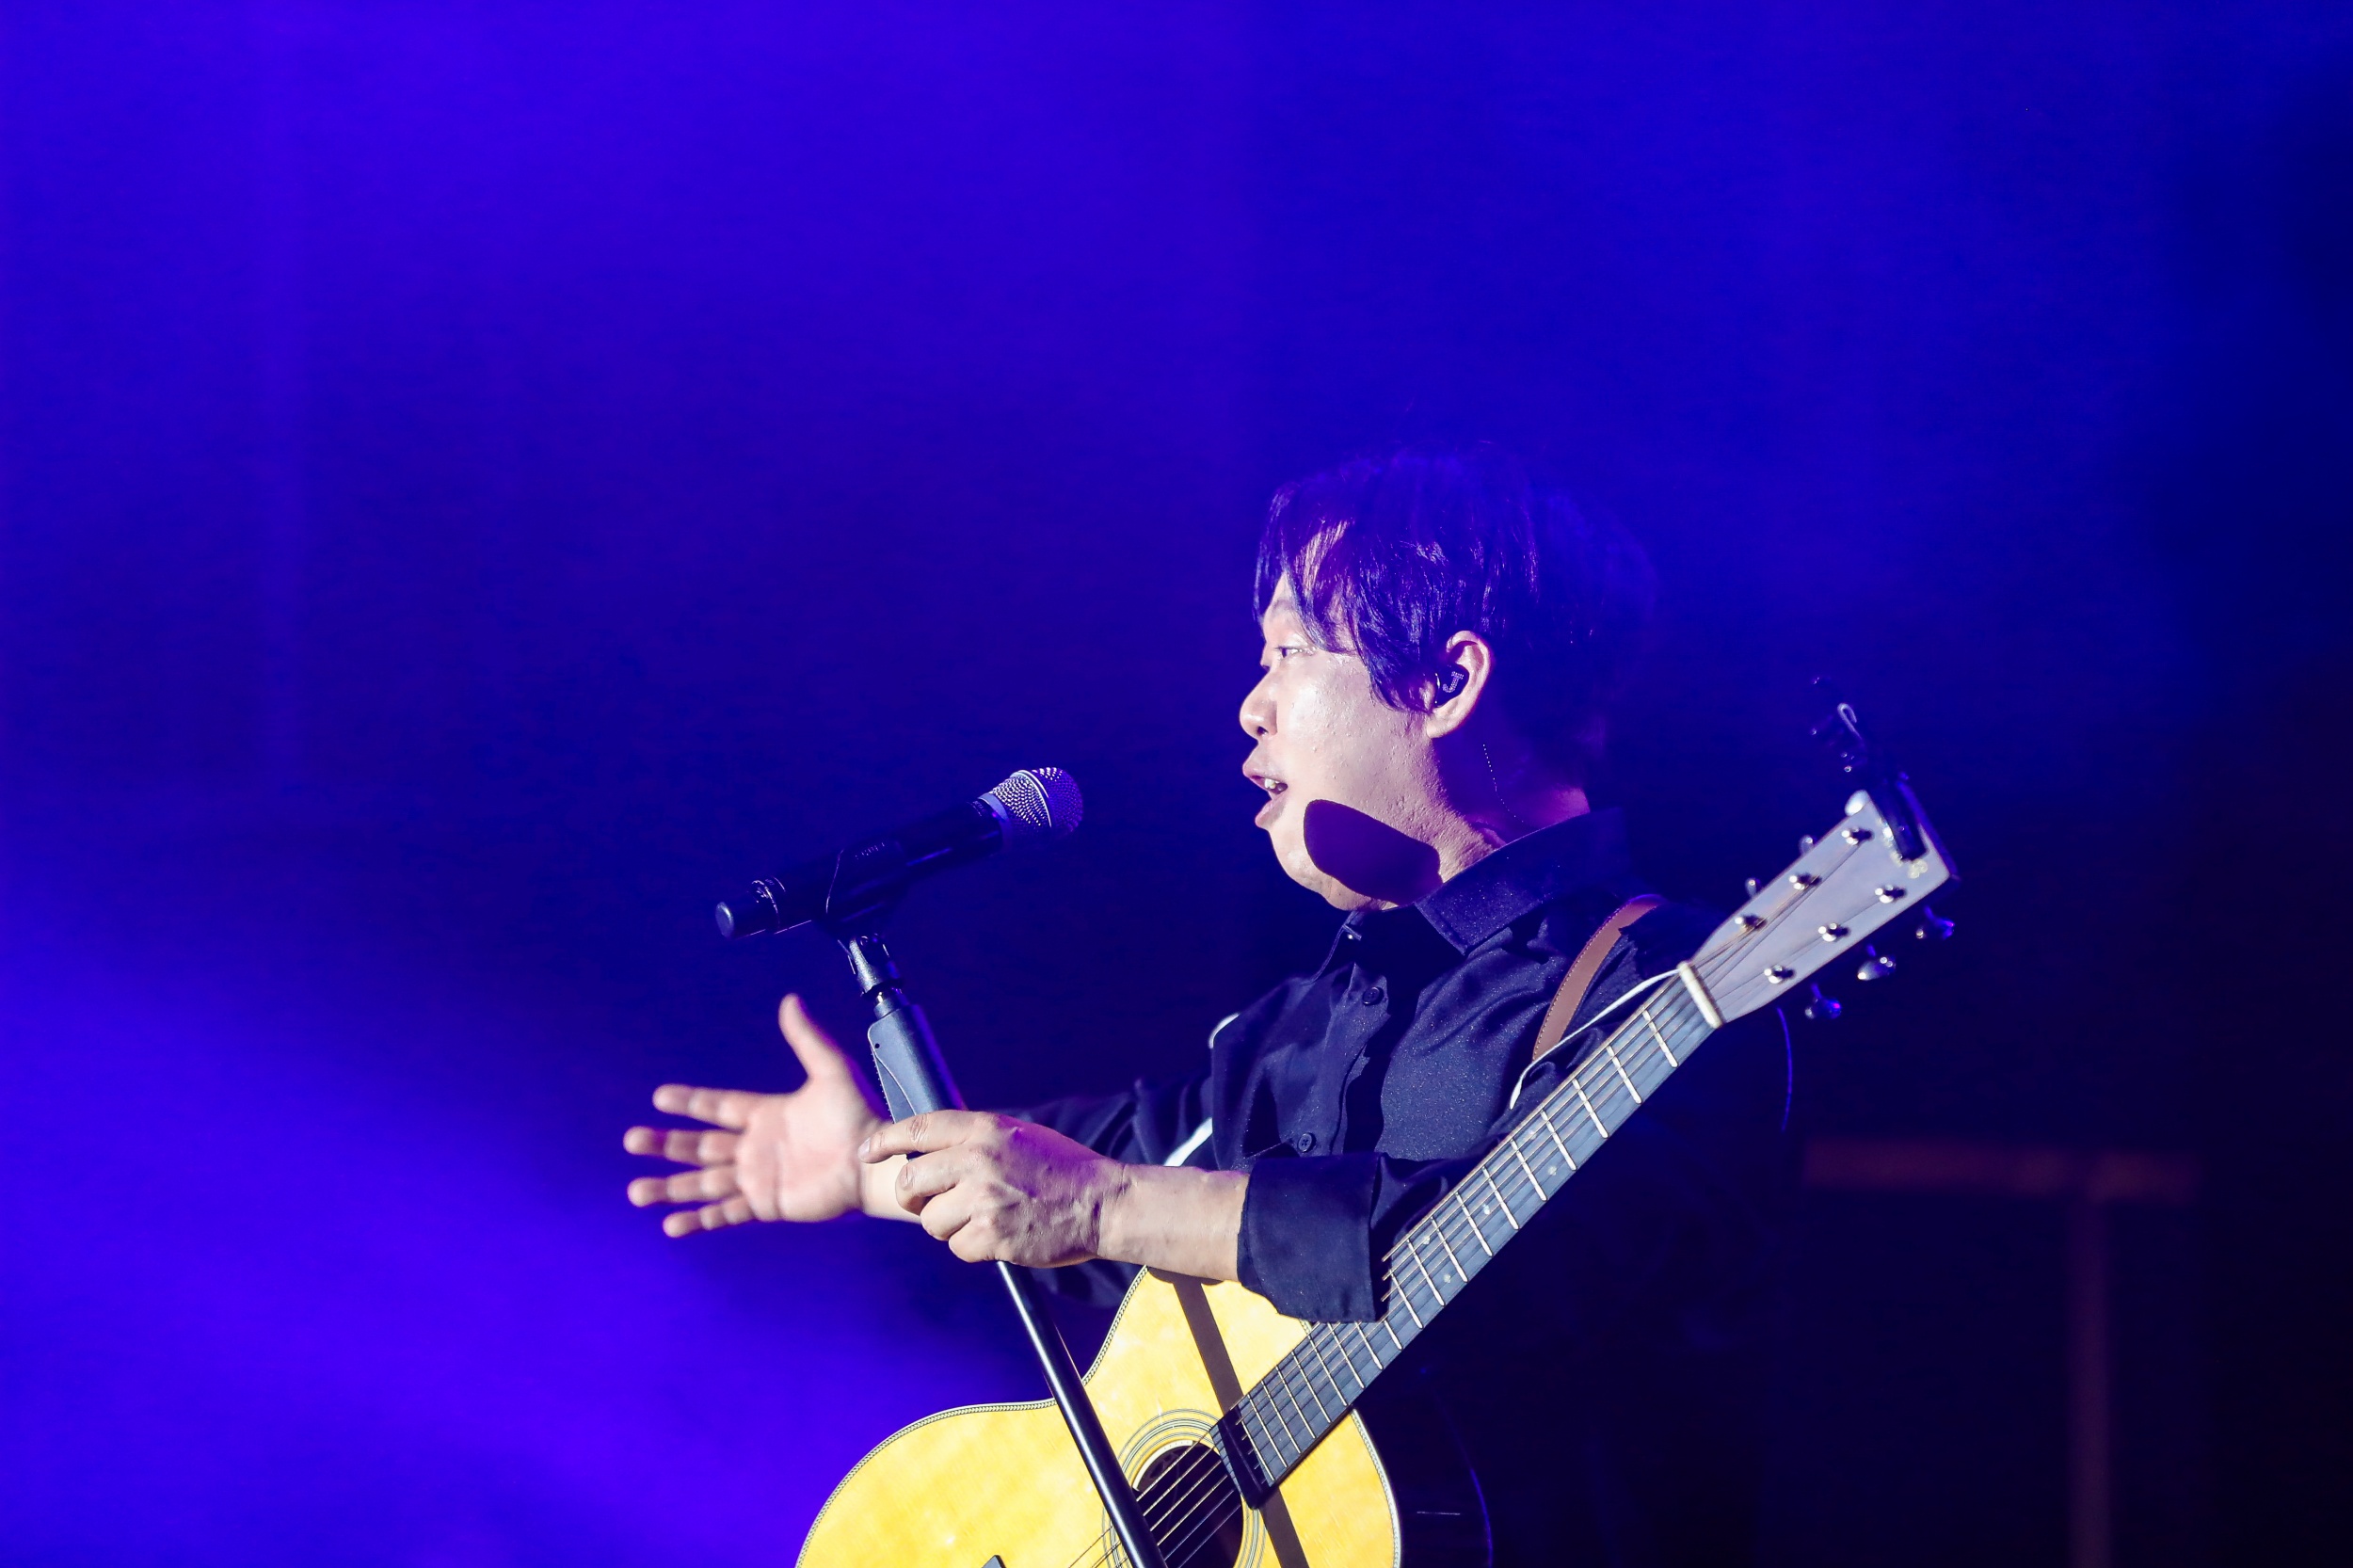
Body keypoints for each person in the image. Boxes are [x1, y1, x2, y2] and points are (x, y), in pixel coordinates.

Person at [623, 443, 1793, 1566]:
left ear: (1446, 682)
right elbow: (1082, 1167)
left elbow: (1531, 1262)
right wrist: (870, 1162)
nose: (1250, 705)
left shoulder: (1663, 992)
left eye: (1289, 650)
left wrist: (1109, 1205)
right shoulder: (1305, 1022)